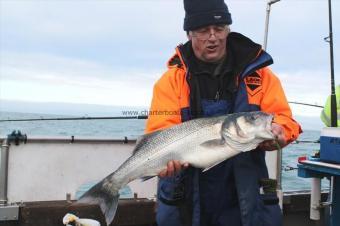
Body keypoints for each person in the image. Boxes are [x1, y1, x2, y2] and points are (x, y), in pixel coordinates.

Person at [145, 0, 301, 226]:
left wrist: (282, 132)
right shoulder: (170, 82)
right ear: (189, 34)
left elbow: (283, 119)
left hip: (244, 188)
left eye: (219, 29)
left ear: (228, 30)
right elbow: (160, 130)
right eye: (203, 30)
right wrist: (167, 161)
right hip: (186, 190)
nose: (213, 37)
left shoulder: (260, 76)